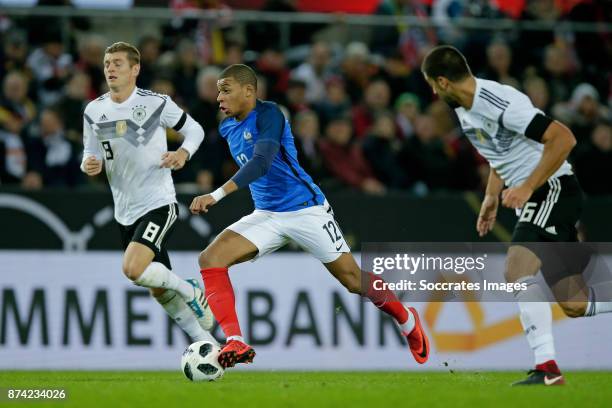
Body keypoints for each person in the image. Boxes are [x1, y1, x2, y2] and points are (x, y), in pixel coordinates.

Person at [189, 64, 429, 368]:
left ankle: (407, 320)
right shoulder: (226, 126)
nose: (218, 96)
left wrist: (216, 194)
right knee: (210, 259)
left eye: (226, 89)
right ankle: (235, 340)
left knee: (353, 281)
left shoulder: (270, 114)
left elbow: (261, 163)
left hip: (306, 210)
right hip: (267, 214)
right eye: (218, 90)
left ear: (249, 91)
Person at [421, 45, 612, 386]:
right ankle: (547, 368)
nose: (434, 94)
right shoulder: (465, 111)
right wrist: (491, 196)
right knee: (575, 304)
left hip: (552, 188)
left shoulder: (496, 101)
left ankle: (547, 368)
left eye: (433, 86)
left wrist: (526, 187)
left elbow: (562, 138)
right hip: (538, 194)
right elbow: (501, 153)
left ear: (443, 81)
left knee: (516, 267)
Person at [81, 41, 215, 345]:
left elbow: (195, 130)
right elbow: (90, 154)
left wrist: (183, 153)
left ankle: (191, 289)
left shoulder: (156, 103)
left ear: (135, 69)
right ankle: (206, 343)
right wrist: (88, 165)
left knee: (133, 268)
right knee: (157, 286)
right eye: (107, 63)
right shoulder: (94, 110)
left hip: (157, 202)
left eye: (117, 63)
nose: (110, 68)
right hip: (123, 210)